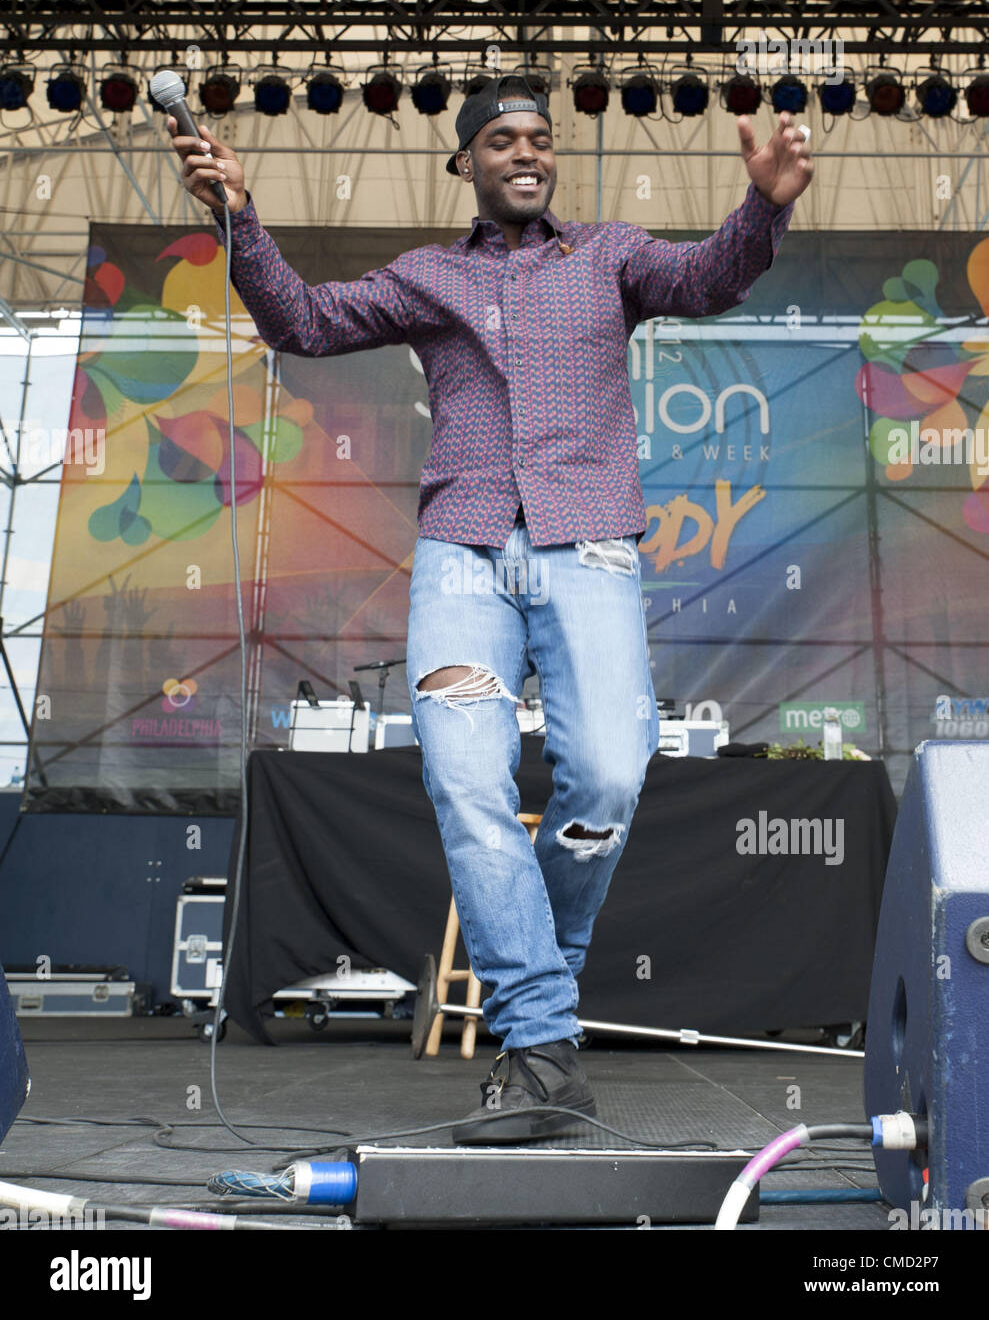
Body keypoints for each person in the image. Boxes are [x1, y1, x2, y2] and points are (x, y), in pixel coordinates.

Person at [168, 72, 813, 1144]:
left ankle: (538, 1012)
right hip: (460, 554)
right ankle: (542, 1044)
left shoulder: (609, 255)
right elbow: (305, 322)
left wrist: (765, 207)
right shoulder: (427, 276)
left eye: (538, 139)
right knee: (467, 788)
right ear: (462, 162)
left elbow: (709, 276)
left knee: (608, 772)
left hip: (589, 544)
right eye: (501, 139)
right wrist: (237, 213)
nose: (524, 152)